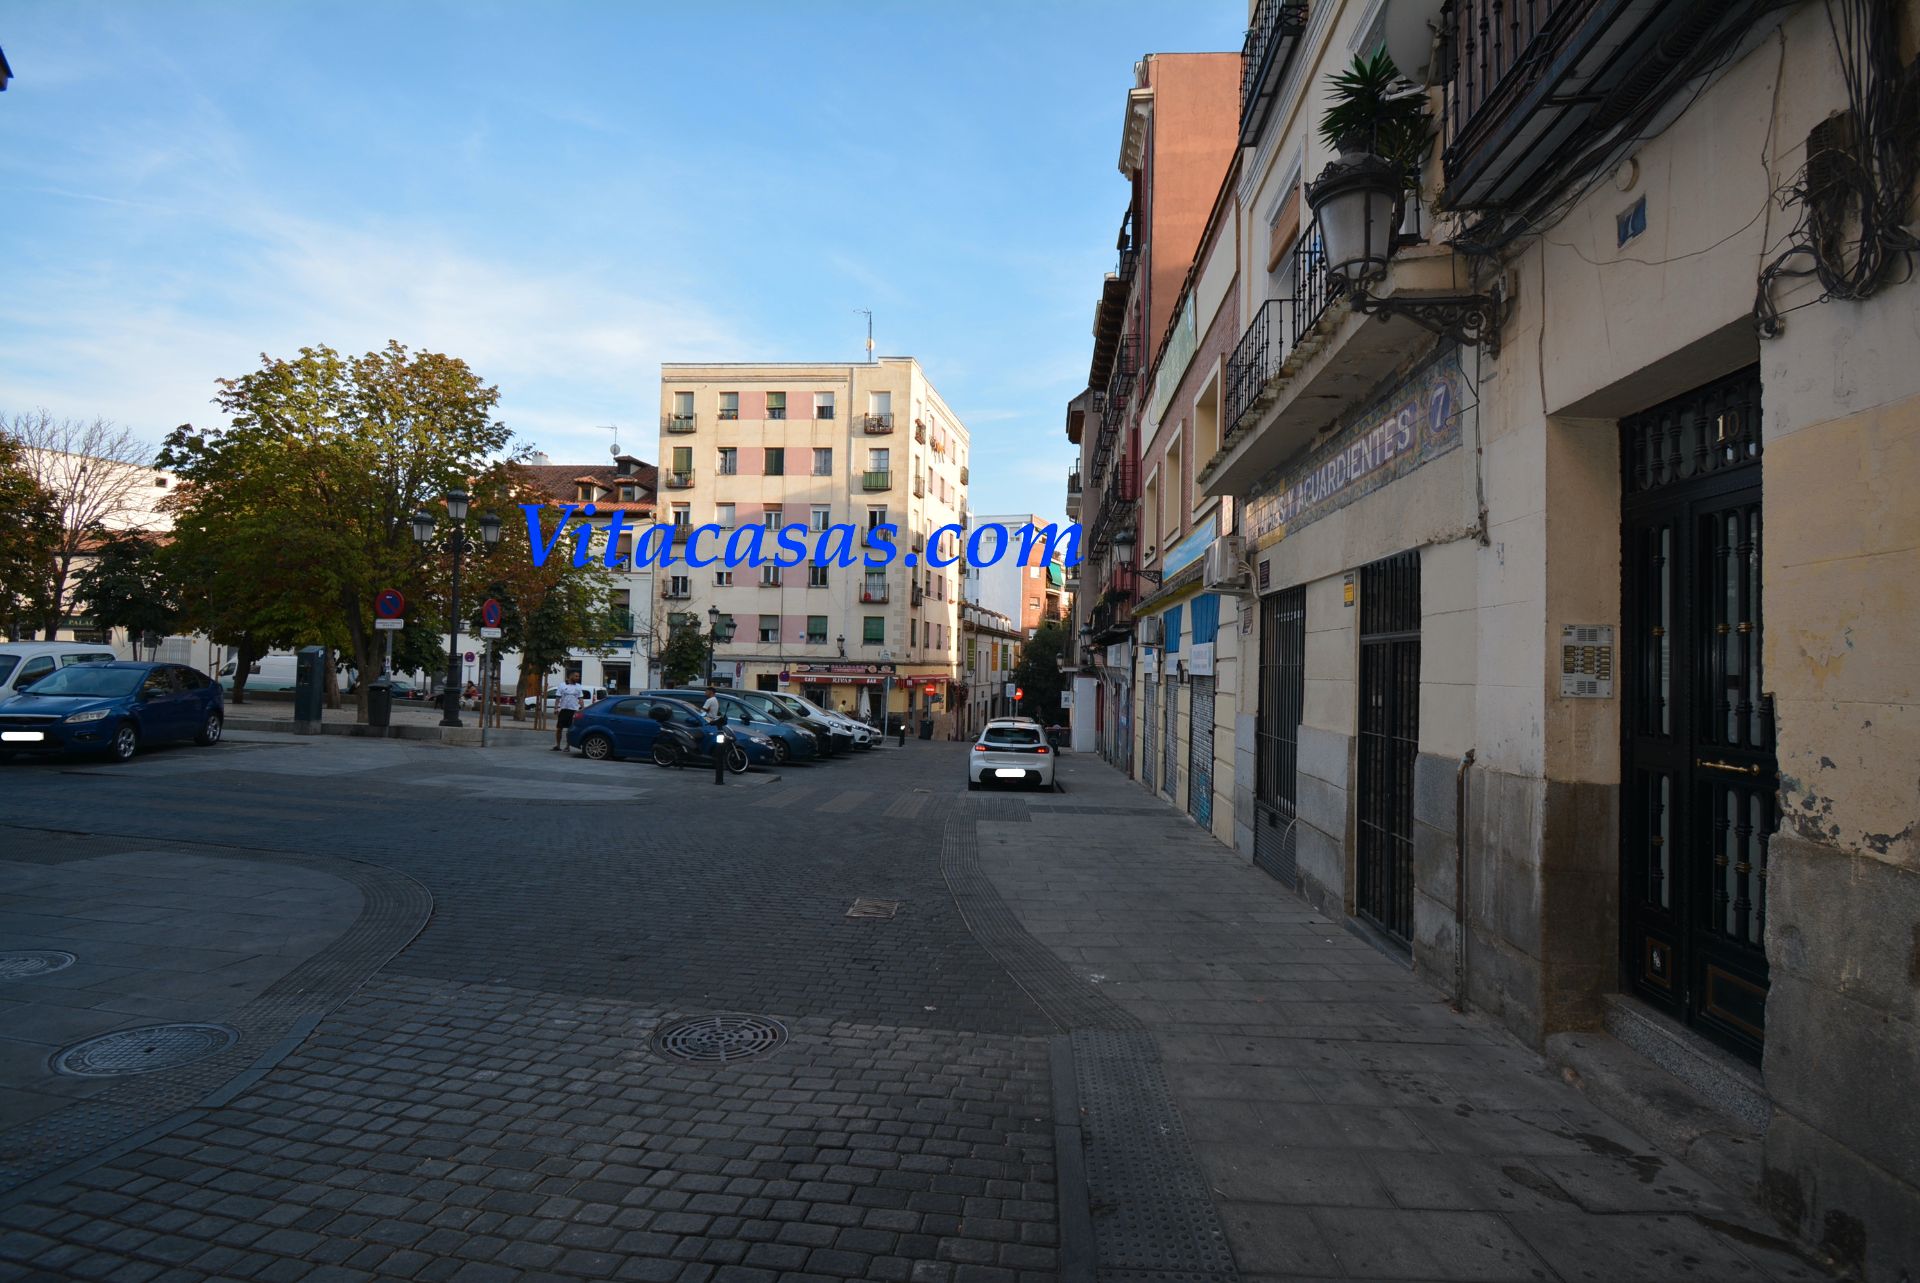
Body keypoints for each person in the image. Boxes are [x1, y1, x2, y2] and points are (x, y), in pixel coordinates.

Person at [552, 671, 587, 751]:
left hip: (574, 710)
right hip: (563, 709)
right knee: (559, 728)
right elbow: (558, 698)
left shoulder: (578, 686)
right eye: (576, 676)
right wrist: (556, 708)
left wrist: (583, 708)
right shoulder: (562, 685)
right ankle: (557, 745)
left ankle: (567, 746)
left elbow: (580, 699)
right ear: (571, 676)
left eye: (578, 676)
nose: (578, 678)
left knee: (570, 729)